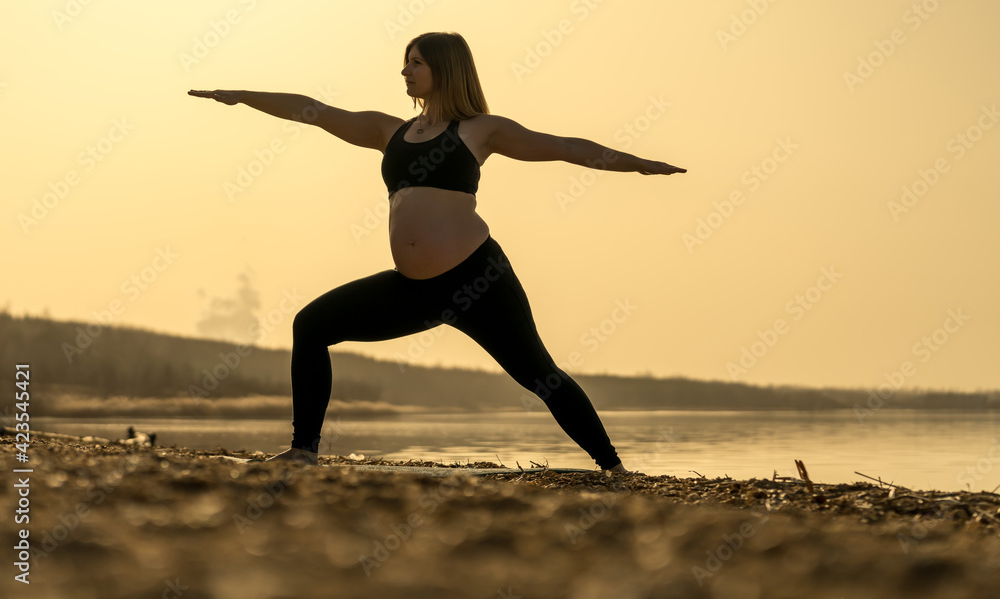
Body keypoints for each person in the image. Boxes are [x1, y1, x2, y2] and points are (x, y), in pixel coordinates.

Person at [188, 31, 685, 473]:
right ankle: (303, 451)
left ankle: (614, 469)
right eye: (405, 62)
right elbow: (312, 110)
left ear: (444, 69)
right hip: (414, 290)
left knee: (540, 375)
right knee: (311, 325)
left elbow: (562, 146)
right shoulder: (390, 132)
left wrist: (637, 163)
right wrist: (240, 96)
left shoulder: (479, 130)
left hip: (478, 280)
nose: (405, 71)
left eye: (416, 62)